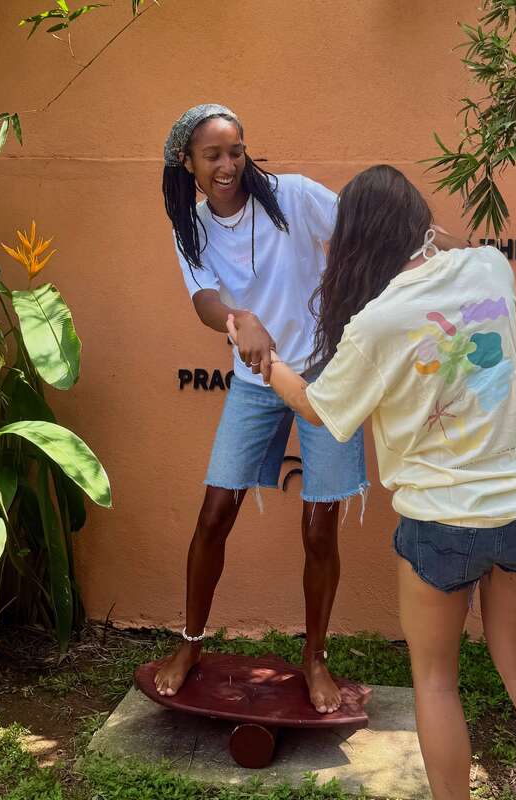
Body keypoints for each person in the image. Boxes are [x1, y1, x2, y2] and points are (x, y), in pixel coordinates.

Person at [237, 165, 516, 798]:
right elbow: (449, 245)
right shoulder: (490, 268)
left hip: (440, 523)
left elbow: (319, 411)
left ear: (358, 239)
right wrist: (428, 234)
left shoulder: (377, 325)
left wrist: (268, 361)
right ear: (420, 222)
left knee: (437, 682)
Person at [154, 103, 368, 714]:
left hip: (325, 373)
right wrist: (238, 318)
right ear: (187, 163)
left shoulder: (293, 196)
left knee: (319, 524)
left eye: (236, 151)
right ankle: (191, 644)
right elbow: (202, 297)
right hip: (255, 377)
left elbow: (360, 227)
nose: (228, 165)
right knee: (215, 510)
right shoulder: (188, 225)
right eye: (213, 155)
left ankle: (315, 658)